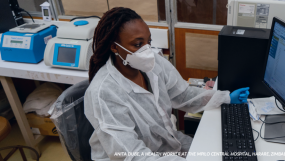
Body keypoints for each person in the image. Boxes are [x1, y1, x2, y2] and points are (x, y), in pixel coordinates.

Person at [84, 7, 250, 160]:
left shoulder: (152, 63)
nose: (146, 50)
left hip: (167, 144)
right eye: (137, 44)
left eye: (148, 41)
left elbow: (183, 95)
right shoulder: (104, 92)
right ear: (114, 47)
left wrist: (224, 98)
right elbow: (130, 154)